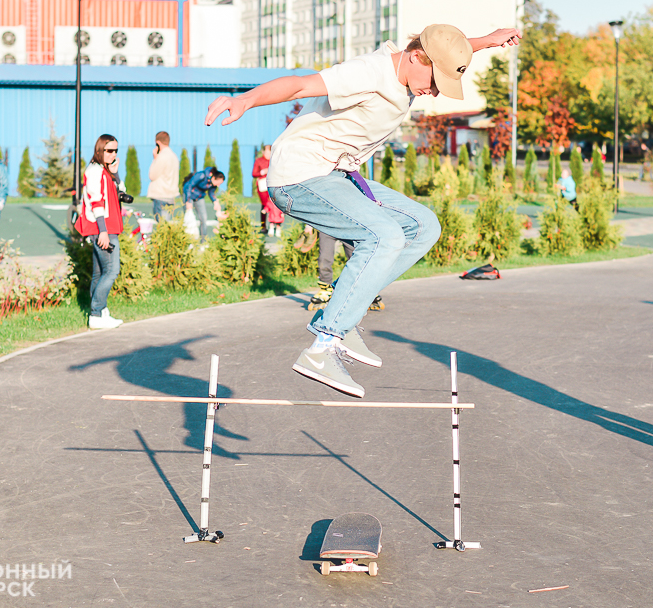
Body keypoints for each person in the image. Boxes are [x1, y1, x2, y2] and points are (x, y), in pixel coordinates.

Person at [205, 23, 520, 397]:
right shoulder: (369, 73)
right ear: (418, 58)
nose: (432, 92)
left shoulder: (418, 57)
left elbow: (450, 45)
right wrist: (245, 100)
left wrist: (488, 41)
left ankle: (342, 310)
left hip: (335, 175)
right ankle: (323, 347)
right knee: (383, 236)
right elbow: (300, 85)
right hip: (298, 177)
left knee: (423, 226)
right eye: (433, 83)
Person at [76, 134, 126, 330]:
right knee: (112, 270)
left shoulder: (105, 171)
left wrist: (115, 173)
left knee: (99, 273)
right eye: (109, 150)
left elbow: (121, 191)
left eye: (115, 150)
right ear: (100, 150)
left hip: (108, 226)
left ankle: (100, 312)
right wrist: (103, 231)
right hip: (103, 227)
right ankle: (96, 313)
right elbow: (95, 201)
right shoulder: (95, 171)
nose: (112, 154)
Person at [183, 167, 226, 241]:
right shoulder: (201, 176)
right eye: (218, 183)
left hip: (199, 197)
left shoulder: (213, 185)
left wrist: (215, 201)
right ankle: (187, 240)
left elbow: (211, 192)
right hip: (189, 195)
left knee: (204, 218)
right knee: (188, 218)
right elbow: (190, 185)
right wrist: (188, 200)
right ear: (214, 177)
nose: (218, 185)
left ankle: (203, 240)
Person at [147, 131, 180, 221]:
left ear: (158, 143)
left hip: (161, 195)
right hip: (171, 195)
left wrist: (155, 159)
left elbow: (152, 175)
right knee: (167, 223)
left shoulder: (162, 157)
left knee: (162, 224)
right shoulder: (174, 156)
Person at [253, 145, 284, 236]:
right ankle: (263, 226)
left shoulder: (275, 160)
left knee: (275, 204)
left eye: (270, 152)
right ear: (263, 152)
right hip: (263, 185)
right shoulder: (259, 161)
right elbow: (254, 173)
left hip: (273, 183)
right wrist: (262, 172)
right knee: (265, 205)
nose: (268, 154)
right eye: (267, 152)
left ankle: (276, 224)